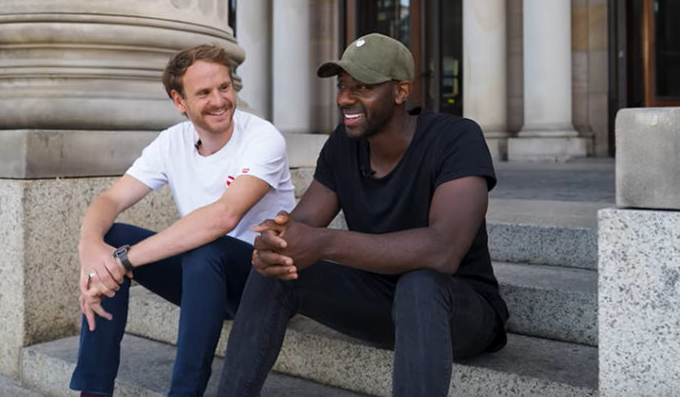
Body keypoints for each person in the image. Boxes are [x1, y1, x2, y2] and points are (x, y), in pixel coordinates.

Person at [217, 33, 509, 397]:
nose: (344, 98)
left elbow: (443, 251)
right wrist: (277, 242)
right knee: (278, 274)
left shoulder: (455, 138)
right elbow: (304, 222)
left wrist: (324, 243)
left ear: (401, 92)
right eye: (342, 86)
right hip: (379, 299)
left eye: (363, 87)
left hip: (458, 308)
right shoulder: (344, 144)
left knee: (420, 282)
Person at [69, 44, 296, 397]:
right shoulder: (171, 142)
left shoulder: (263, 137)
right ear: (180, 101)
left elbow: (223, 216)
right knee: (109, 237)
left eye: (224, 87)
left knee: (205, 250)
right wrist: (91, 252)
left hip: (259, 282)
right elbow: (110, 199)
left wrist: (123, 260)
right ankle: (94, 392)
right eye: (203, 93)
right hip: (202, 281)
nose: (219, 100)